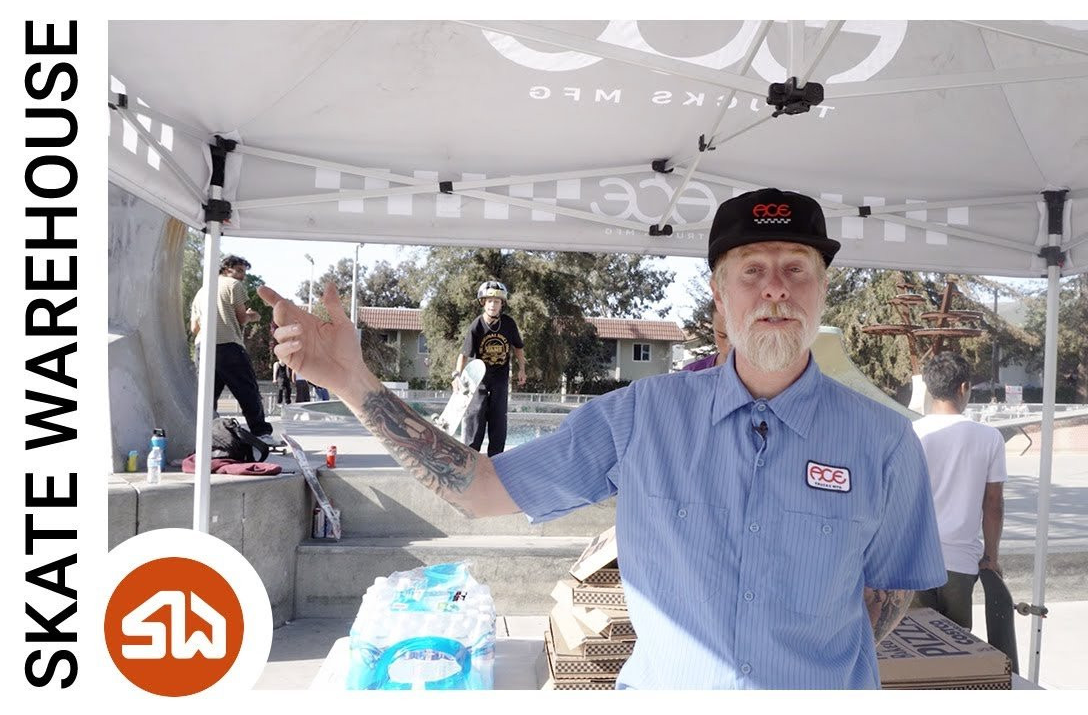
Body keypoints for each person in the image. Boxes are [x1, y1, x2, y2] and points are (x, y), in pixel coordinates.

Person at [260, 188, 945, 689]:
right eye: (752, 271)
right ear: (719, 292)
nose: (775, 290)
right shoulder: (642, 417)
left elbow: (886, 594)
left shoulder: (884, 443)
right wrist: (353, 382)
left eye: (796, 269)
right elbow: (482, 488)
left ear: (823, 288)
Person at [910, 351, 1007, 630]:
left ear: (929, 388)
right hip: (960, 563)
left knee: (918, 643)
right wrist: (991, 557)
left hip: (915, 559)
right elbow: (993, 504)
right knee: (959, 648)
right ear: (964, 387)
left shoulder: (910, 432)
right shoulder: (989, 438)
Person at [190, 255, 276, 442]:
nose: (242, 275)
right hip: (228, 344)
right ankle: (261, 432)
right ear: (226, 269)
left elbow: (193, 327)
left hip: (202, 346)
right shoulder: (233, 285)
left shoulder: (201, 291)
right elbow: (242, 318)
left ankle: (205, 435)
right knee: (247, 390)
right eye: (239, 270)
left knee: (207, 395)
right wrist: (253, 316)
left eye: (244, 272)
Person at [455, 281, 526, 456]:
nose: (493, 305)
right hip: (479, 379)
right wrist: (456, 375)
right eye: (489, 301)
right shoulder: (476, 325)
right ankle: (471, 455)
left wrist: (522, 369)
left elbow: (518, 347)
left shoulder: (508, 324)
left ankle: (496, 458)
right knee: (475, 416)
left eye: (497, 302)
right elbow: (464, 354)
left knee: (498, 419)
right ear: (483, 303)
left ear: (502, 304)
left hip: (500, 378)